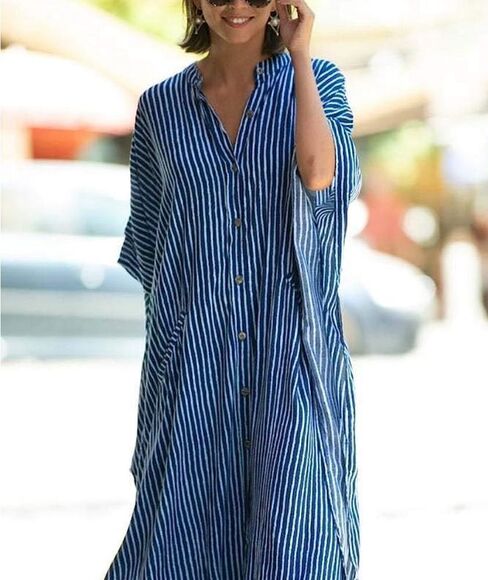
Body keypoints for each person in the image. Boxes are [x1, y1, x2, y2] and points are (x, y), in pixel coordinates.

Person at [104, 0, 362, 578]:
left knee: (297, 547)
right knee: (182, 552)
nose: (237, 5)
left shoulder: (319, 82)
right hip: (193, 375)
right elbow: (152, 253)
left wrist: (299, 56)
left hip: (290, 366)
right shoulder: (161, 111)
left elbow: (320, 175)